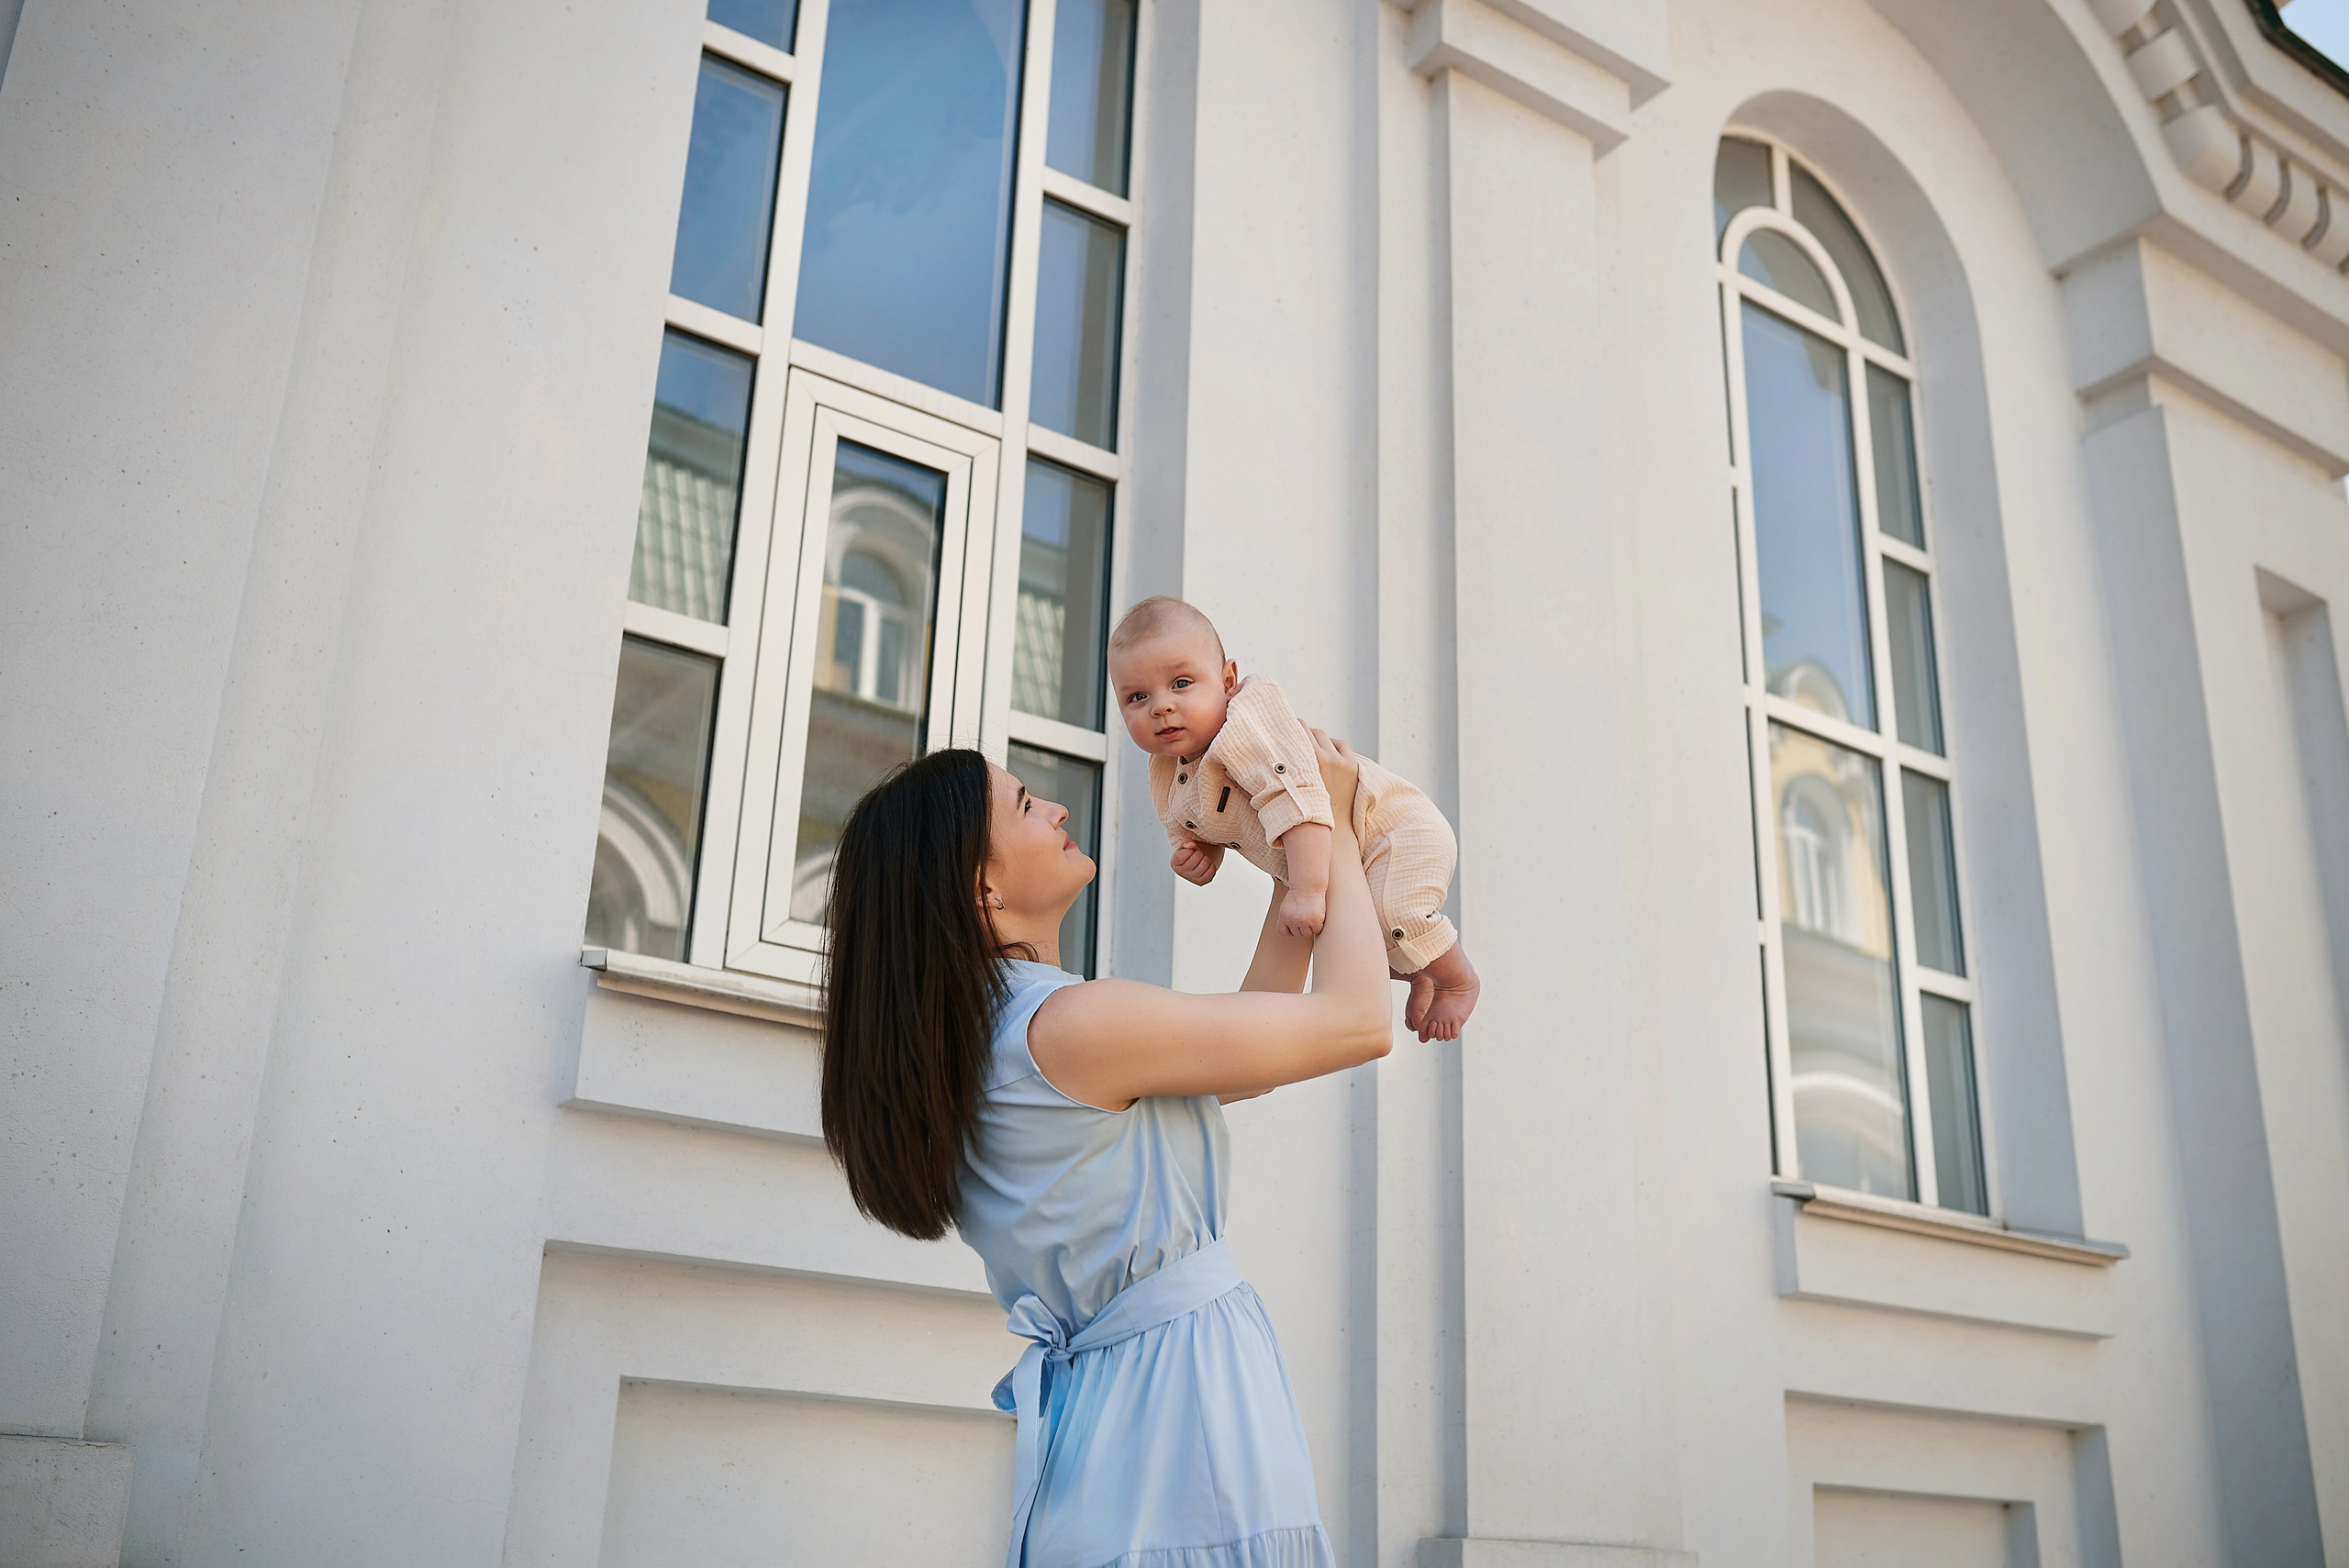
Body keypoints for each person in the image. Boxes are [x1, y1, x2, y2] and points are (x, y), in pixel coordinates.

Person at [819, 731, 1394, 1568]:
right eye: (1024, 804)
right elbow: (1359, 1021)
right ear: (982, 888)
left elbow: (1249, 1058)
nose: (1056, 807)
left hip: (1117, 1434)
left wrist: (1295, 874)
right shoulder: (1069, 1027)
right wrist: (1330, 816)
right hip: (1183, 1428)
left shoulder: (988, 1048)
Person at [1107, 595, 1482, 1041]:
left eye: (1182, 683)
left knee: (1389, 913)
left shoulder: (1249, 727)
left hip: (1393, 829)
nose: (1161, 706)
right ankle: (1422, 970)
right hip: (1340, 853)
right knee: (1348, 937)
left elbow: (1300, 805)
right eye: (1138, 696)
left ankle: (1457, 980)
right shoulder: (1167, 767)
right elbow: (1196, 819)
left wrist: (1306, 890)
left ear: (1228, 681)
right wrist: (1200, 854)